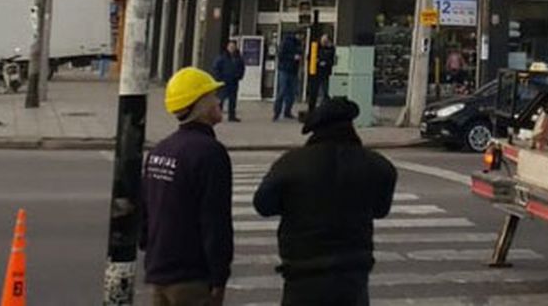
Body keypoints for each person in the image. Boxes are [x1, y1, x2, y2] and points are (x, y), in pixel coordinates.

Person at [254, 98, 397, 306]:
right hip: (353, 272)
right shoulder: (377, 165)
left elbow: (263, 205)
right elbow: (381, 209)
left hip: (302, 272)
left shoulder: (291, 163)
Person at [141, 67, 233, 306]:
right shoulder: (210, 153)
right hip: (191, 278)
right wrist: (219, 276)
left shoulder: (160, 149)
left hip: (159, 271)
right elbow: (215, 220)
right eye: (213, 96)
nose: (218, 101)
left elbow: (146, 212)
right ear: (200, 104)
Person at [212, 40, 244, 122]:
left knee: (233, 100)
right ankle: (217, 116)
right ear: (227, 47)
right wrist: (218, 78)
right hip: (224, 81)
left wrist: (239, 76)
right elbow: (216, 68)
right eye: (230, 47)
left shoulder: (238, 57)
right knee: (221, 99)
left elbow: (242, 67)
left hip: (234, 81)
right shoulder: (222, 57)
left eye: (233, 47)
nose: (232, 48)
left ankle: (232, 116)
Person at [273, 33, 302, 120]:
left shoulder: (298, 43)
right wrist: (293, 57)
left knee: (291, 93)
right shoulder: (286, 42)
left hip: (293, 71)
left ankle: (287, 111)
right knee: (282, 91)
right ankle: (277, 112)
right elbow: (281, 55)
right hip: (285, 70)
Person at [313, 34, 336, 104]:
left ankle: (324, 101)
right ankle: (320, 100)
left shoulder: (331, 49)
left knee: (325, 88)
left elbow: (332, 60)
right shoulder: (317, 47)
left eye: (325, 41)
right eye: (322, 40)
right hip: (318, 71)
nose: (323, 42)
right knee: (318, 88)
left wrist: (325, 62)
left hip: (326, 72)